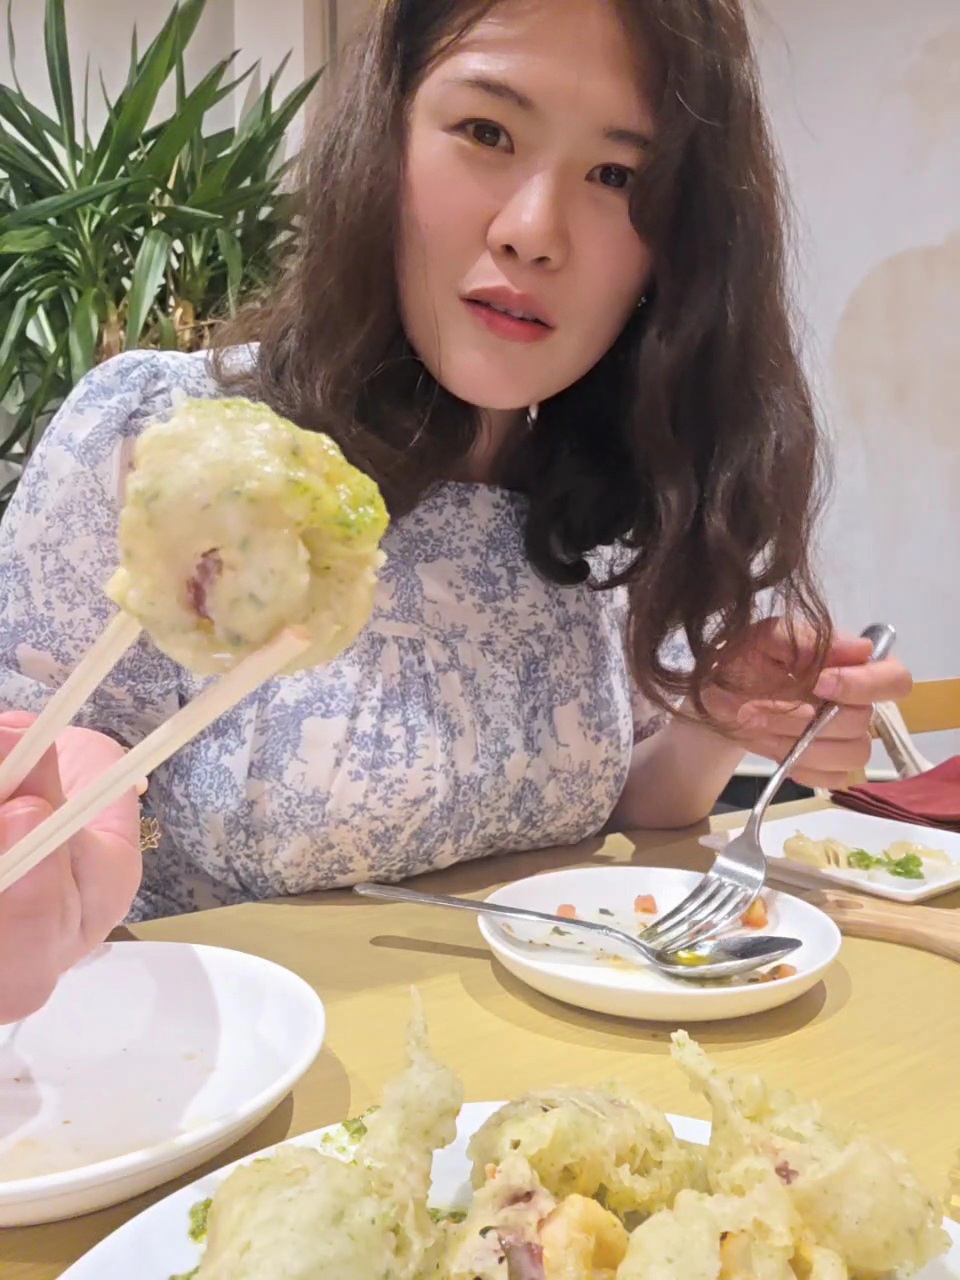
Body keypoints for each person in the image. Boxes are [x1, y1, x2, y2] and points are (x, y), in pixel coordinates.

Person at [0, 0, 910, 1023]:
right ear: (383, 140)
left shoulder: (612, 495)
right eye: (487, 131)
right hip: (210, 1074)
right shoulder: (162, 440)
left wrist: (721, 719)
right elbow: (45, 796)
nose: (533, 231)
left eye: (618, 176)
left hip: (540, 1076)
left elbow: (624, 810)